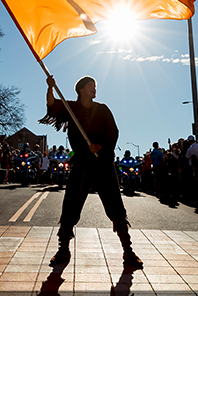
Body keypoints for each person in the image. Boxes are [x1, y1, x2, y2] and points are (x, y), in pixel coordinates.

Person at [40, 75, 142, 269]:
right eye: (90, 86)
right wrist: (50, 88)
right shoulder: (71, 108)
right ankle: (63, 249)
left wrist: (100, 146)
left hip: (103, 163)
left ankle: (128, 251)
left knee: (115, 205)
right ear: (81, 89)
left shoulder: (102, 109)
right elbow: (52, 106)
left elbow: (113, 132)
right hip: (81, 163)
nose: (94, 88)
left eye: (95, 86)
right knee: (71, 204)